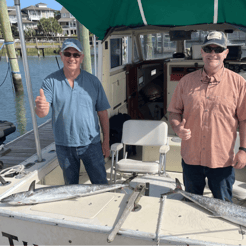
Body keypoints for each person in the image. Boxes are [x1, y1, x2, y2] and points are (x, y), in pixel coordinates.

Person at [168, 31, 246, 202]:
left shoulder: (239, 83)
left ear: (225, 53)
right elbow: (174, 111)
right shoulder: (185, 81)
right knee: (191, 204)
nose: (213, 54)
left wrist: (243, 150)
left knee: (223, 206)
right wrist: (177, 127)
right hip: (191, 157)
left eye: (218, 49)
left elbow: (244, 120)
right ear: (201, 52)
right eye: (208, 49)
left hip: (222, 160)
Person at [35, 38, 110, 185]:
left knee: (101, 183)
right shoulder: (50, 81)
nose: (72, 58)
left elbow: (103, 113)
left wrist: (106, 141)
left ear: (82, 57)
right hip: (64, 145)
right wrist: (40, 108)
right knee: (70, 186)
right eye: (68, 54)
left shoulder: (93, 82)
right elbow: (42, 113)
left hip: (91, 143)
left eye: (76, 55)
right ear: (61, 55)